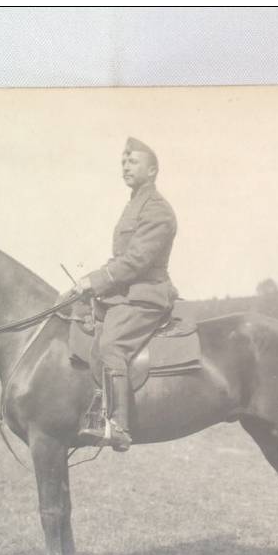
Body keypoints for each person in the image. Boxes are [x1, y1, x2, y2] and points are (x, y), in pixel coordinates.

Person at [72, 137, 178, 451]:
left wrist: (97, 279)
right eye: (123, 162)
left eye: (133, 162)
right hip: (125, 293)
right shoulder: (134, 205)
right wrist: (90, 282)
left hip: (146, 295)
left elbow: (137, 261)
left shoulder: (157, 209)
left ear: (153, 170)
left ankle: (118, 424)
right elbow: (122, 258)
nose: (126, 166)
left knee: (111, 343)